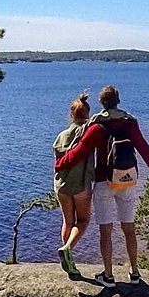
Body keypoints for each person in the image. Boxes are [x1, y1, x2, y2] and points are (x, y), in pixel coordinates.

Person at [55, 85, 149, 287]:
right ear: (118, 101)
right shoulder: (130, 124)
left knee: (106, 231)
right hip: (127, 180)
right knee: (129, 229)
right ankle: (135, 273)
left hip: (105, 182)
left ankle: (109, 276)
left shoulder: (96, 127)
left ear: (102, 103)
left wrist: (60, 164)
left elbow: (78, 152)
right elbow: (146, 152)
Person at [52, 92, 95, 278]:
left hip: (61, 185)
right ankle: (68, 249)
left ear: (71, 114)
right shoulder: (89, 131)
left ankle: (68, 259)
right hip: (80, 184)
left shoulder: (60, 136)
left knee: (67, 222)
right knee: (83, 221)